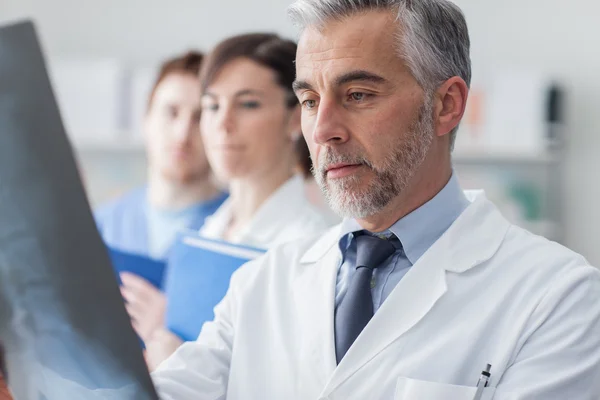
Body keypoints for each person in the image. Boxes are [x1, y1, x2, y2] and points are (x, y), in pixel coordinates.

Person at [151, 1, 600, 399]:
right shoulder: (263, 281)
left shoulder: (559, 298)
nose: (324, 129)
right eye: (309, 100)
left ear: (446, 105)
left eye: (358, 95)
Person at [142, 33, 334, 367]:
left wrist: (176, 361)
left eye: (247, 104)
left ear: (295, 119)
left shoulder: (312, 248)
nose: (222, 123)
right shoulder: (208, 233)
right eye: (212, 105)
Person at [94, 51, 227, 260]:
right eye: (171, 112)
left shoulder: (237, 227)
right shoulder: (102, 226)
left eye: (199, 117)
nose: (182, 133)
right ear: (146, 120)